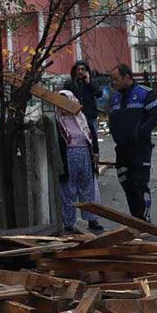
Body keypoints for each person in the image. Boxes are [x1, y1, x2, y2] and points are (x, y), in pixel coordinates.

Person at [107, 63, 157, 221]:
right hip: (122, 150)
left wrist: (140, 133)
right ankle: (135, 220)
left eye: (116, 79)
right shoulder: (115, 98)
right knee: (127, 184)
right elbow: (112, 119)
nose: (114, 83)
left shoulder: (144, 93)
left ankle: (144, 220)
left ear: (127, 77)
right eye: (112, 79)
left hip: (140, 149)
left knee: (139, 185)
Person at [56, 89, 105, 234]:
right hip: (68, 157)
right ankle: (69, 223)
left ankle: (92, 219)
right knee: (68, 190)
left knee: (88, 188)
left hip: (85, 155)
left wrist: (95, 153)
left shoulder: (81, 119)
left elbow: (91, 137)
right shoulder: (57, 121)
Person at [61, 60, 104, 153]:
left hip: (90, 115)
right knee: (79, 141)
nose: (80, 71)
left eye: (82, 69)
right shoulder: (70, 83)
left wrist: (89, 83)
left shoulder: (91, 82)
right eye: (78, 69)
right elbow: (63, 97)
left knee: (93, 140)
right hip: (75, 117)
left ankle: (94, 157)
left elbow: (99, 94)